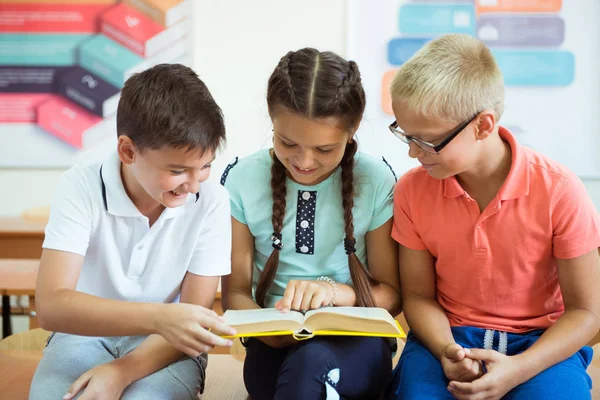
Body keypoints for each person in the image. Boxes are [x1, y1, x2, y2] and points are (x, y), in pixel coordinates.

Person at [387, 34, 600, 400]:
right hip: (448, 337)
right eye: (406, 135)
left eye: (425, 140)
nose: (411, 152)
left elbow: (586, 312)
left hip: (541, 346)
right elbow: (418, 297)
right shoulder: (412, 190)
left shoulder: (560, 190)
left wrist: (520, 368)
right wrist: (446, 350)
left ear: (483, 126)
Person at [29, 63, 236, 400]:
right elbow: (52, 306)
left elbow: (191, 323)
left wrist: (121, 371)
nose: (195, 184)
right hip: (82, 335)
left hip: (167, 347)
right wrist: (159, 316)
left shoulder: (211, 200)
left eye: (206, 166)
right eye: (178, 170)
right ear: (127, 151)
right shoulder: (81, 185)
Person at [221, 48, 402, 400]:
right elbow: (236, 294)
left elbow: (392, 295)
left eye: (324, 149)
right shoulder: (241, 179)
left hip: (357, 341)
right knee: (298, 373)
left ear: (352, 131)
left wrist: (336, 294)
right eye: (287, 143)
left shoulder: (375, 179)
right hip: (271, 344)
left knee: (312, 368)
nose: (304, 161)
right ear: (271, 121)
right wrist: (271, 330)